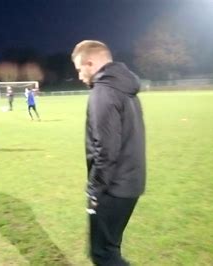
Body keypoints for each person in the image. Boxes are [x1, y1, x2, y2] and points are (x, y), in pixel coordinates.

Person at [71, 40, 146, 265]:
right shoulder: (124, 87)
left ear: (90, 63)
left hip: (113, 187)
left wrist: (94, 190)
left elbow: (106, 149)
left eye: (79, 69)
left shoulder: (103, 92)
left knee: (102, 254)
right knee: (110, 248)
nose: (79, 76)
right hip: (130, 182)